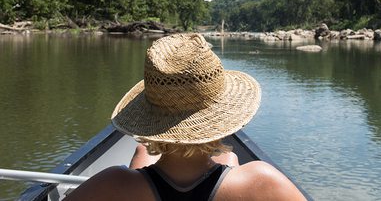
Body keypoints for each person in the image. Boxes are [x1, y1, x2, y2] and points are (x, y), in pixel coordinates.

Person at [66, 33, 306, 201]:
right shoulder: (262, 181)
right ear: (222, 116)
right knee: (229, 157)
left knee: (142, 154)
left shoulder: (111, 184)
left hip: (137, 189)